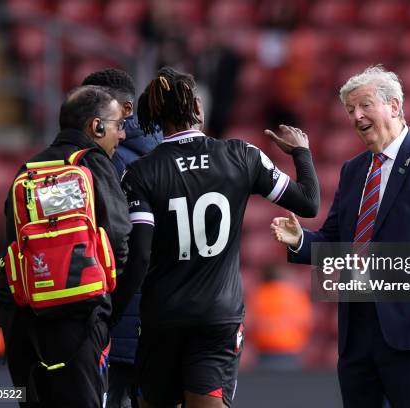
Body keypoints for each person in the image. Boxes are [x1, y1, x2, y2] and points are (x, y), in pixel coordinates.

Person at [271, 65, 410, 407]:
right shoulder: (353, 171)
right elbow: (337, 244)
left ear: (394, 106)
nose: (356, 116)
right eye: (350, 110)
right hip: (357, 333)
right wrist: (300, 241)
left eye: (364, 105)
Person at [115, 66, 319, 408]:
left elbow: (139, 255)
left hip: (161, 317)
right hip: (217, 316)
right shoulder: (242, 155)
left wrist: (114, 313)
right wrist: (301, 151)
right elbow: (309, 202)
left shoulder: (140, 172)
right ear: (197, 106)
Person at [0, 85, 132, 407]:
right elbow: (120, 240)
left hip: (21, 318)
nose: (122, 136)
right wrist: (105, 300)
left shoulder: (28, 170)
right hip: (79, 318)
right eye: (118, 125)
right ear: (96, 126)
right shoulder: (93, 164)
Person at [82, 68, 162, 408]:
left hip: (114, 310)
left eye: (96, 105)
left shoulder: (101, 163)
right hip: (161, 313)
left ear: (126, 110)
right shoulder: (169, 151)